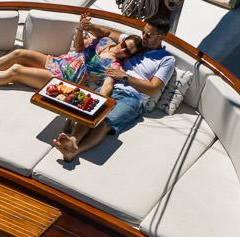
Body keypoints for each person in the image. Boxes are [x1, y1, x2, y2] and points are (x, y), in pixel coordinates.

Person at [54, 25, 174, 162]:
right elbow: (108, 32)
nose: (144, 36)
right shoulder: (135, 42)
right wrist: (89, 26)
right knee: (89, 111)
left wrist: (125, 77)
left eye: (148, 35)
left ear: (161, 36)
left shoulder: (166, 60)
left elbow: (153, 89)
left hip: (132, 97)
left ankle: (75, 151)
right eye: (143, 32)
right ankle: (73, 141)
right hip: (110, 86)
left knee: (105, 121)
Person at [0, 20, 136, 91]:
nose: (123, 50)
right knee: (18, 53)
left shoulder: (115, 67)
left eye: (128, 51)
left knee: (16, 70)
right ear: (120, 41)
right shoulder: (103, 41)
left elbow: (107, 86)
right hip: (56, 61)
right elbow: (79, 48)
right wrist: (81, 29)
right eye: (124, 45)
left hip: (63, 79)